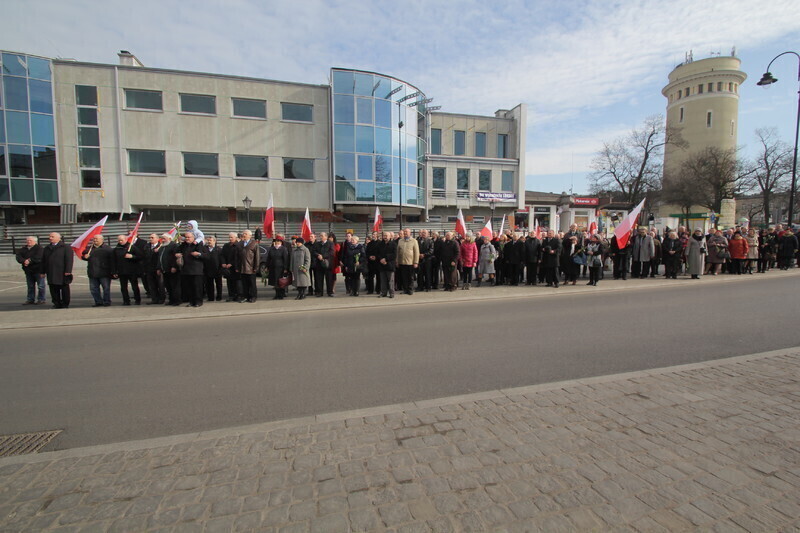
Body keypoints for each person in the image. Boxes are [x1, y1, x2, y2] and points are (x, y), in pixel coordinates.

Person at [41, 232, 74, 309]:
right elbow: (43, 261)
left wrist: (68, 270)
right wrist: (42, 271)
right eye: (50, 236)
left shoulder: (65, 247)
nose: (50, 238)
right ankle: (56, 303)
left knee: (64, 288)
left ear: (58, 238)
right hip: (51, 272)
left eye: (52, 236)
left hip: (62, 272)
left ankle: (65, 303)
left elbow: (69, 260)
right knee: (53, 288)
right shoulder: (47, 248)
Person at [81, 234, 113, 307]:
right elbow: (83, 256)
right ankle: (98, 301)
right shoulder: (89, 249)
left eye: (97, 239)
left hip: (104, 272)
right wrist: (85, 257)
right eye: (94, 239)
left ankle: (107, 301)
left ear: (102, 240)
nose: (95, 240)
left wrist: (113, 271)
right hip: (93, 272)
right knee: (93, 289)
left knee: (106, 288)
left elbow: (112, 260)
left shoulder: (107, 249)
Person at [112, 234, 143, 305]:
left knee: (134, 286)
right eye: (119, 240)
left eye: (121, 240)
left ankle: (137, 300)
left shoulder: (132, 247)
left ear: (126, 239)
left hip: (132, 271)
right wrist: (114, 271)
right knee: (123, 287)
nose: (120, 241)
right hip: (121, 271)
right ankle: (126, 300)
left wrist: (132, 256)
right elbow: (113, 261)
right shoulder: (116, 249)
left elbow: (140, 256)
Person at [176, 231, 205, 307]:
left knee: (197, 287)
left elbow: (206, 256)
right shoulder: (183, 245)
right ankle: (191, 301)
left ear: (193, 238)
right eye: (186, 237)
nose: (187, 239)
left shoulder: (198, 244)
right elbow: (177, 252)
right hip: (186, 270)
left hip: (196, 270)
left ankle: (198, 302)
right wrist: (177, 254)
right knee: (189, 287)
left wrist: (199, 254)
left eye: (189, 237)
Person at [16, 236, 46, 305]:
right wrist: (24, 261)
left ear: (35, 241)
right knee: (30, 286)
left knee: (41, 286)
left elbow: (39, 257)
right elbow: (18, 257)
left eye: (30, 240)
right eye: (27, 240)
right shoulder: (23, 249)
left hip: (38, 270)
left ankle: (41, 299)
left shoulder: (39, 248)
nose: (28, 242)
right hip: (28, 271)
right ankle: (30, 299)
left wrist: (29, 261)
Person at [158, 233, 181, 306]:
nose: (163, 240)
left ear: (170, 239)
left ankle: (177, 300)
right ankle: (171, 300)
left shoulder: (174, 246)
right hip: (164, 269)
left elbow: (175, 257)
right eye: (162, 238)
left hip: (172, 269)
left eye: (164, 238)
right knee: (168, 286)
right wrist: (158, 268)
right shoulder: (162, 247)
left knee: (174, 286)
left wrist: (174, 266)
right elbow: (159, 258)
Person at [236, 230, 260, 302]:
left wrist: (256, 267)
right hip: (242, 268)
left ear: (250, 236)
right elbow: (236, 257)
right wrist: (237, 267)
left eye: (245, 234)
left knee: (252, 284)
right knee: (244, 284)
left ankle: (253, 296)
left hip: (251, 268)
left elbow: (257, 257)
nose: (244, 235)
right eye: (243, 233)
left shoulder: (254, 244)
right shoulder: (240, 244)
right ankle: (245, 296)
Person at [396, 229, 420, 295]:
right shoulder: (400, 241)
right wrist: (397, 261)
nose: (405, 233)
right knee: (404, 277)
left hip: (410, 262)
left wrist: (416, 262)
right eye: (404, 232)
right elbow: (398, 252)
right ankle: (405, 289)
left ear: (410, 233)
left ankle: (410, 289)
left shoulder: (414, 241)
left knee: (410, 277)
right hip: (402, 262)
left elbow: (416, 252)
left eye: (406, 232)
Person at [266, 235, 290, 300]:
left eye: (279, 241)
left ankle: (281, 294)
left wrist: (285, 268)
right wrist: (267, 266)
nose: (277, 242)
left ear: (281, 242)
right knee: (275, 282)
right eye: (276, 241)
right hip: (273, 267)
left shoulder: (283, 249)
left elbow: (286, 259)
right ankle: (277, 294)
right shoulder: (272, 249)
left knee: (281, 282)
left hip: (281, 268)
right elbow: (269, 258)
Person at [144, 233, 165, 305]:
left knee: (160, 285)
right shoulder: (147, 246)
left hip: (157, 268)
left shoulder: (161, 246)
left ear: (157, 238)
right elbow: (145, 255)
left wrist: (159, 268)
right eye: (150, 237)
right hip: (149, 268)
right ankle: (154, 299)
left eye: (152, 237)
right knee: (152, 285)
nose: (150, 239)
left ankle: (162, 299)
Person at [377, 231, 397, 298]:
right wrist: (381, 259)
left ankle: (392, 293)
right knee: (383, 280)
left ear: (390, 236)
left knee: (391, 280)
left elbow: (394, 255)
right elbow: (378, 253)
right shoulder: (380, 244)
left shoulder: (393, 244)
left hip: (390, 264)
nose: (385, 237)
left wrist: (386, 259)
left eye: (386, 236)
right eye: (384, 236)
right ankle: (383, 293)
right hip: (381, 264)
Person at [202, 236, 223, 301]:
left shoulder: (218, 249)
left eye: (210, 240)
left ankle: (219, 296)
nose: (209, 242)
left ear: (214, 241)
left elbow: (221, 259)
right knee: (209, 284)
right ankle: (210, 297)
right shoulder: (204, 249)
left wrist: (221, 268)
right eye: (208, 240)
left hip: (217, 269)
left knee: (218, 284)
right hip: (207, 270)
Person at [221, 232, 240, 301]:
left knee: (236, 283)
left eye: (232, 237)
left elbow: (239, 257)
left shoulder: (238, 245)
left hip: (235, 267)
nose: (230, 238)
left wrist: (232, 263)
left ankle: (237, 295)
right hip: (227, 268)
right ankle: (231, 296)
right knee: (229, 283)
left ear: (236, 238)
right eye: (229, 237)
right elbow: (222, 255)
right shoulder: (226, 245)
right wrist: (223, 263)